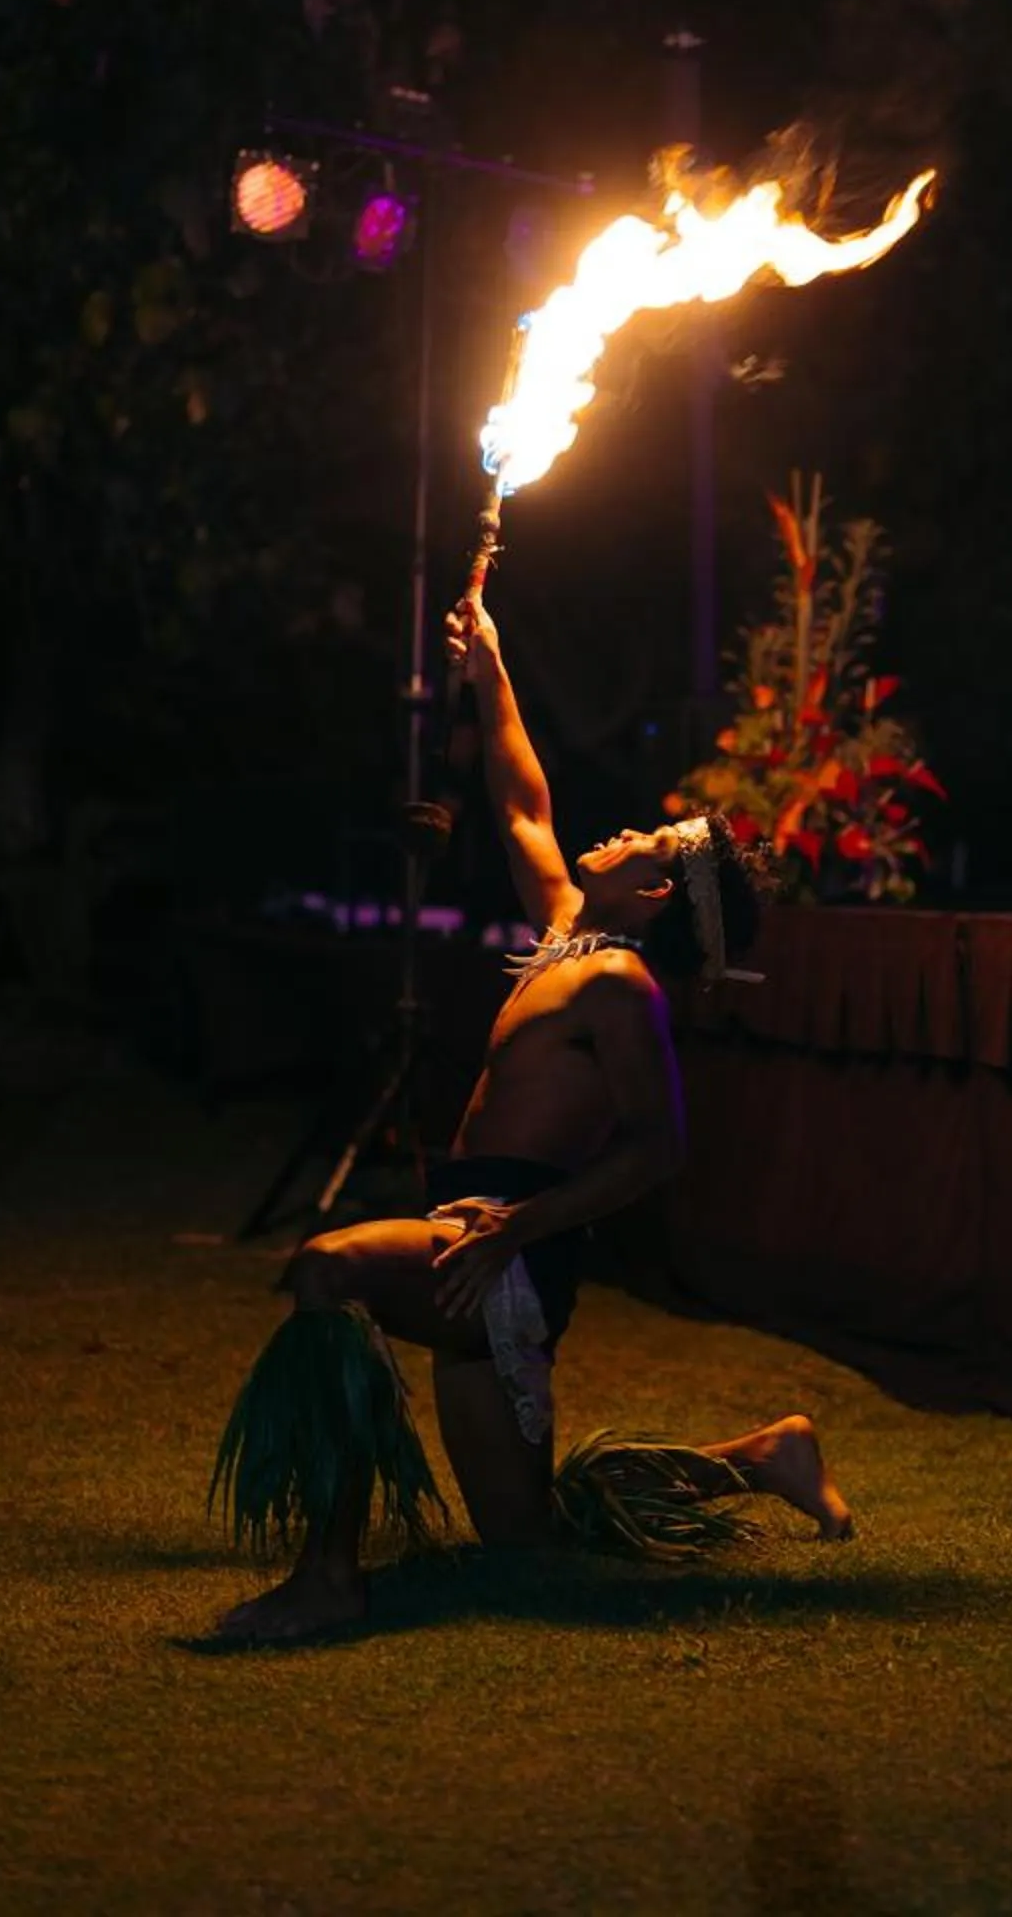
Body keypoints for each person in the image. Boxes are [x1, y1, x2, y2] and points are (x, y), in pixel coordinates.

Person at [210, 594, 852, 1645]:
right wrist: (491, 663)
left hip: (504, 1248)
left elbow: (662, 1144)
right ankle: (760, 1455)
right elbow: (520, 802)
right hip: (480, 1239)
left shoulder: (622, 986)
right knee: (526, 1539)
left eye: (647, 836)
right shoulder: (567, 934)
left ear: (652, 891)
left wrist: (517, 1227)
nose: (624, 828)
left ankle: (327, 1577)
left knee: (328, 1267)